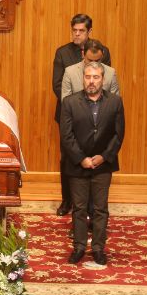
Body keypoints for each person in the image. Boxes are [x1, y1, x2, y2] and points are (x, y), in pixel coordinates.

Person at [59, 61, 124, 266]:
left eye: (96, 77)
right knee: (79, 208)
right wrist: (81, 158)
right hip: (77, 165)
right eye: (88, 77)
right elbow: (66, 135)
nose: (91, 81)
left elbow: (118, 134)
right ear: (83, 79)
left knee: (100, 209)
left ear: (103, 79)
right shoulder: (70, 102)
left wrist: (104, 156)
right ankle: (79, 247)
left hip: (103, 165)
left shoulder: (115, 102)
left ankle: (98, 248)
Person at [52, 13, 111, 216]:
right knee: (68, 158)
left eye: (81, 31)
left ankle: (92, 205)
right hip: (69, 115)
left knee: (94, 157)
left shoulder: (102, 51)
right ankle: (67, 200)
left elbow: (105, 82)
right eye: (74, 30)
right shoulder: (62, 53)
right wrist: (78, 107)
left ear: (89, 31)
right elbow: (57, 85)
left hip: (96, 116)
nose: (77, 34)